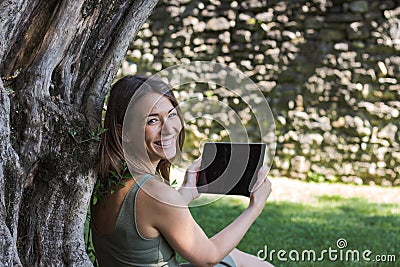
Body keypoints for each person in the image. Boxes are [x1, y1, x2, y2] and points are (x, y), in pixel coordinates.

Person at [91, 75, 273, 267]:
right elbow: (208, 257)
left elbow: (144, 228)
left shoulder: (108, 181)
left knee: (238, 258)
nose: (169, 129)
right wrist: (255, 207)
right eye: (153, 121)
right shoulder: (155, 194)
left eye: (171, 114)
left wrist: (186, 192)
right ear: (124, 132)